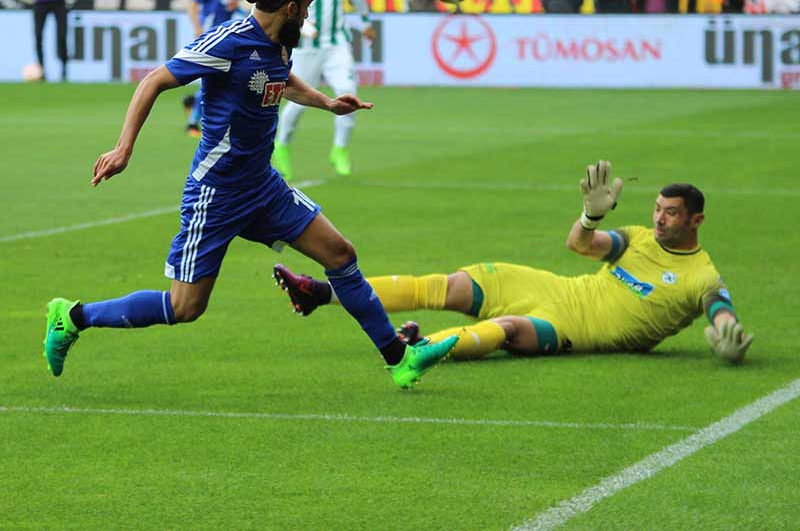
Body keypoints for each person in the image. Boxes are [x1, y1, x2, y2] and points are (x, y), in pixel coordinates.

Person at [43, 0, 457, 389]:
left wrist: (327, 103)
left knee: (339, 254)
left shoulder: (281, 40)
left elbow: (280, 80)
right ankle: (72, 317)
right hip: (217, 193)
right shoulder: (230, 40)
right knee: (185, 308)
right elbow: (154, 80)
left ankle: (400, 359)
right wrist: (124, 147)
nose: (310, 15)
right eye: (309, 7)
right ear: (292, 7)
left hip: (262, 185)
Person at [275, 161, 754, 366]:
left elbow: (720, 310)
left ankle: (419, 350)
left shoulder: (702, 276)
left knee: (506, 328)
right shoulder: (637, 238)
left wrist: (729, 338)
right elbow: (580, 246)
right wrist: (590, 214)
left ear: (697, 220)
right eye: (657, 209)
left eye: (670, 213)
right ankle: (319, 292)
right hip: (554, 288)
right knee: (444, 285)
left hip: (571, 329)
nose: (660, 219)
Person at [273, 0, 376, 180]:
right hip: (305, 47)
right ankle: (281, 146)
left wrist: (365, 20)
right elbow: (278, 3)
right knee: (297, 103)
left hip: (337, 43)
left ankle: (339, 150)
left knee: (348, 95)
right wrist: (302, 25)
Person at [183, 0, 240, 136]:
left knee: (219, 77)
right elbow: (193, 0)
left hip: (226, 32)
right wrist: (198, 28)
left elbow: (228, 0)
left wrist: (234, 4)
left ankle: (193, 106)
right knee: (212, 77)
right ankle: (192, 123)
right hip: (210, 31)